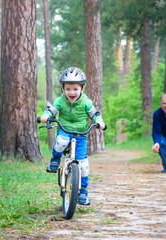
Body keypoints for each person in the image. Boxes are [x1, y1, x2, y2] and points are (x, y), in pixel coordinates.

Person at [39, 67, 106, 205]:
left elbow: (94, 113)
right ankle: (55, 159)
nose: (72, 92)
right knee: (61, 142)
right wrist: (45, 116)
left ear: (82, 88)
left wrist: (99, 122)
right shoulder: (60, 100)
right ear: (63, 89)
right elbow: (52, 110)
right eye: (68, 89)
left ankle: (83, 192)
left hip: (81, 135)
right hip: (65, 130)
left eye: (75, 89)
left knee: (83, 165)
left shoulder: (86, 102)